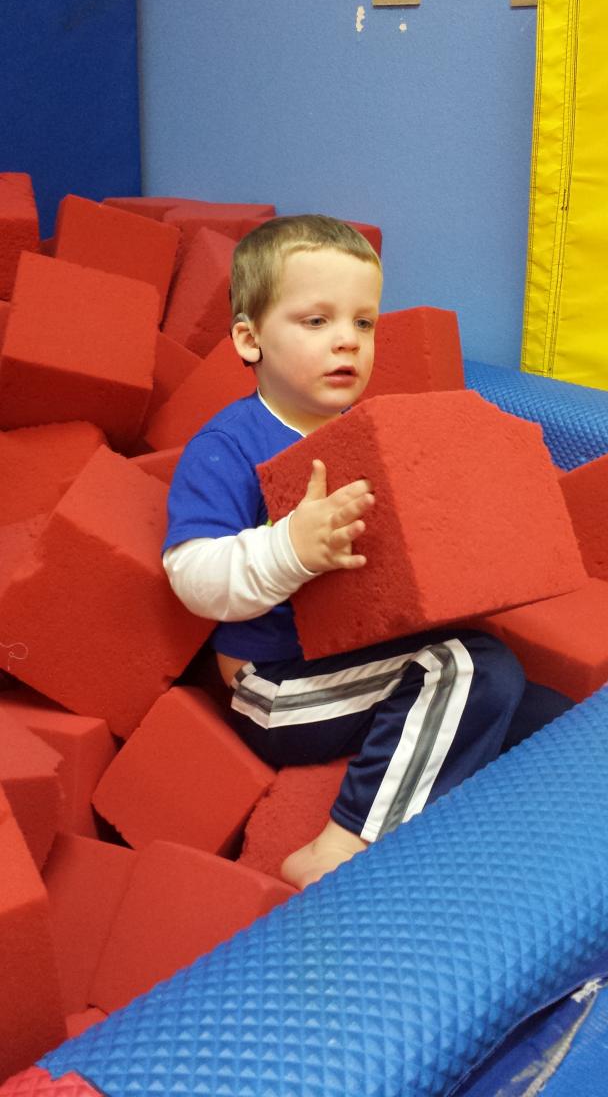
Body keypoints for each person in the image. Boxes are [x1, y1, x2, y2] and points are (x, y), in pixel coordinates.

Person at [162, 215, 571, 889]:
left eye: (363, 323)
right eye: (316, 322)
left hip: (366, 662)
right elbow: (193, 577)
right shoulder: (229, 443)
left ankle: (530, 850)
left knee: (542, 713)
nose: (347, 342)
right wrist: (291, 547)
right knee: (474, 666)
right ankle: (340, 846)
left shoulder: (369, 433)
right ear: (248, 339)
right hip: (273, 686)